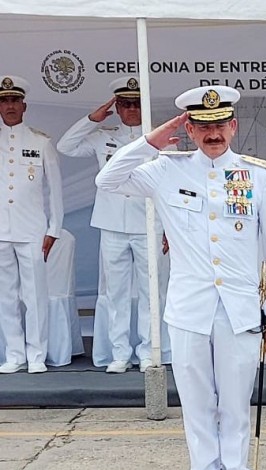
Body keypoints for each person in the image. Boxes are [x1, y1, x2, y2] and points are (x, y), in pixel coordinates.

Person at [95, 85, 266, 470]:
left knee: (235, 400)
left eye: (220, 124)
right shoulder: (165, 168)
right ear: (189, 128)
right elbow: (106, 180)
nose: (212, 133)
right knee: (197, 401)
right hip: (188, 307)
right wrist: (151, 141)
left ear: (233, 127)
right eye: (202, 125)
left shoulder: (257, 175)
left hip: (239, 308)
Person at [58, 75, 166, 374]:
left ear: (143, 106)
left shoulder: (159, 137)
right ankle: (120, 351)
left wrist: (169, 227)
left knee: (150, 291)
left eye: (135, 103)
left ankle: (148, 350)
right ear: (116, 107)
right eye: (124, 103)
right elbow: (67, 146)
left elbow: (169, 185)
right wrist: (92, 119)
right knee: (116, 293)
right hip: (112, 223)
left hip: (148, 223)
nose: (130, 109)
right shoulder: (102, 135)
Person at [0, 75, 63, 374]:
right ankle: (14, 354)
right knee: (6, 295)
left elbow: (56, 189)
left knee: (35, 295)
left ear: (24, 105)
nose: (9, 106)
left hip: (32, 229)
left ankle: (37, 354)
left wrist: (54, 228)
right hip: (1, 230)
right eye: (4, 101)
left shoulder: (40, 141)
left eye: (14, 100)